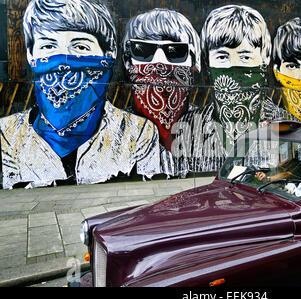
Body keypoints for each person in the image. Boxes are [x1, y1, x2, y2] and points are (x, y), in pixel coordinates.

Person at [0, 0, 173, 189]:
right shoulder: (7, 135)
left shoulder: (137, 132)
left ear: (110, 53)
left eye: (81, 47)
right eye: (49, 46)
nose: (63, 61)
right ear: (30, 55)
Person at [171, 5, 292, 176]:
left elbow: (294, 171)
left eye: (245, 57)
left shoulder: (286, 123)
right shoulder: (190, 126)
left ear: (264, 59)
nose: (232, 67)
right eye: (222, 57)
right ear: (207, 62)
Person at [123, 8, 201, 152]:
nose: (159, 63)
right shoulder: (115, 129)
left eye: (175, 52)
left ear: (194, 61)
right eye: (143, 51)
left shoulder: (207, 127)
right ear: (128, 61)